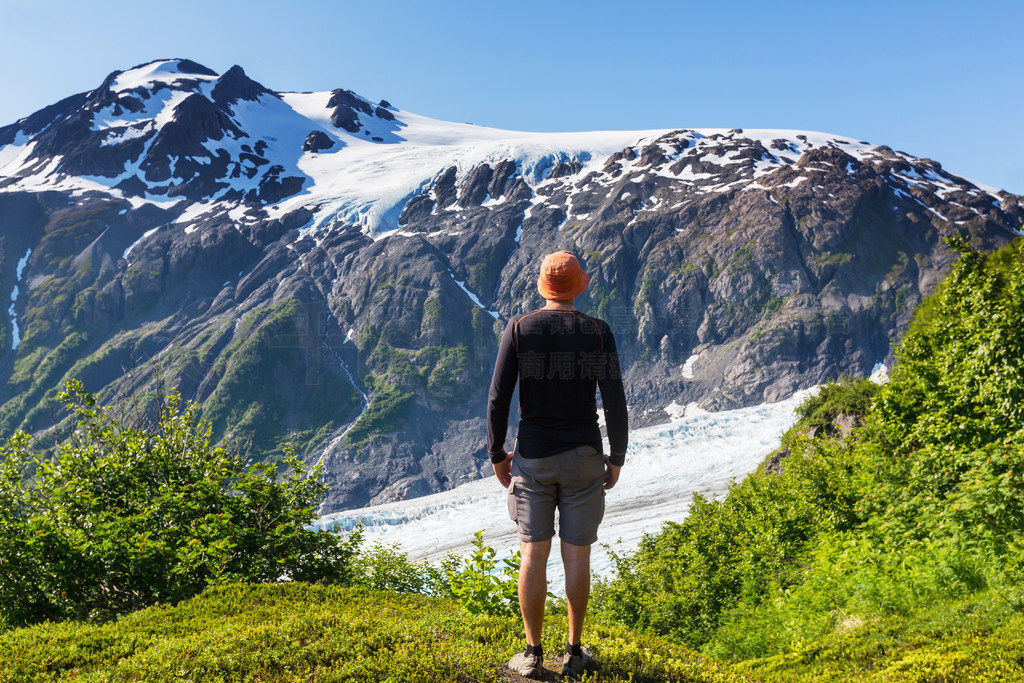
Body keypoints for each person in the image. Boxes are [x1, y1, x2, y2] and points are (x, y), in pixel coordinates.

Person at [486, 250, 628, 679]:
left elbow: (498, 399)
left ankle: (531, 655)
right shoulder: (598, 333)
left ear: (543, 287)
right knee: (576, 557)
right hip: (584, 455)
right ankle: (575, 653)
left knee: (532, 552)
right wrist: (616, 457)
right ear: (578, 286)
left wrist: (497, 454)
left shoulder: (520, 328)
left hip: (533, 456)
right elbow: (615, 402)